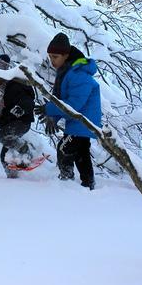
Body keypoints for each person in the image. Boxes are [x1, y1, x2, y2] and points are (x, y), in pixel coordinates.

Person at [36, 33, 102, 190]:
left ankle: (66, 181)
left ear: (66, 55)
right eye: (50, 57)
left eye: (55, 57)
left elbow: (74, 104)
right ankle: (88, 183)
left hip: (82, 122)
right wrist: (53, 116)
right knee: (81, 153)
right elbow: (64, 100)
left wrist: (49, 109)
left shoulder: (78, 74)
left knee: (64, 149)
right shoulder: (68, 71)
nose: (52, 61)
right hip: (80, 122)